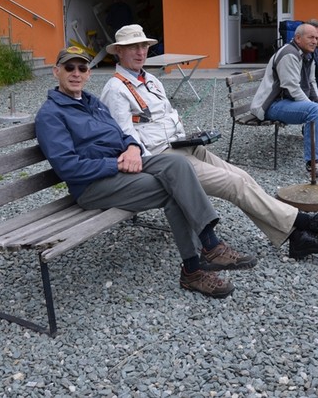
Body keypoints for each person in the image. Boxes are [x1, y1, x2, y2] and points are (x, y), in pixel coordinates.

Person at [100, 24, 318, 260]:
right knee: (234, 184)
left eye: (143, 46)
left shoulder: (151, 80)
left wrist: (188, 137)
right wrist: (154, 165)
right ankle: (304, 222)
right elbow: (125, 137)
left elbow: (166, 117)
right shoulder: (116, 89)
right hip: (163, 159)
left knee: (243, 176)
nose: (140, 52)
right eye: (133, 47)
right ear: (118, 51)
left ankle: (295, 237)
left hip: (181, 146)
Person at [35, 46, 257, 299]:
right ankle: (194, 268)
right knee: (171, 190)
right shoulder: (51, 114)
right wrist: (116, 164)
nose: (76, 73)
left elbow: (121, 133)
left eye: (82, 68)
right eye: (69, 67)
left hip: (122, 165)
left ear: (88, 73)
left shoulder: (92, 102)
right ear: (56, 72)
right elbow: (68, 167)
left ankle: (210, 246)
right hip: (92, 185)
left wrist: (132, 147)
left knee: (178, 165)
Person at [251, 23, 318, 180]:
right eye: (311, 37)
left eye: (316, 38)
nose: (315, 41)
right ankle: (313, 164)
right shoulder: (289, 54)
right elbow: (291, 88)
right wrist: (314, 105)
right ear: (298, 38)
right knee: (314, 111)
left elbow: (311, 82)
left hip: (288, 101)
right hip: (271, 105)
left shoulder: (308, 54)